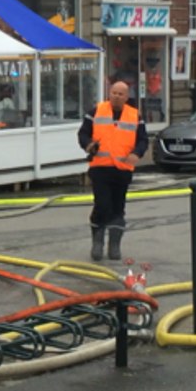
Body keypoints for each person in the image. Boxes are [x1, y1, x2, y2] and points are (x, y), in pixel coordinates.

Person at [77, 80, 148, 261]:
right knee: (102, 205)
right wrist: (88, 145)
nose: (116, 96)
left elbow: (143, 140)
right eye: (114, 93)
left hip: (123, 169)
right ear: (109, 93)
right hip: (100, 167)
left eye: (120, 94)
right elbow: (83, 134)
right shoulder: (96, 111)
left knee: (118, 207)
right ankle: (98, 242)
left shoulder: (134, 115)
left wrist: (136, 153)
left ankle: (114, 245)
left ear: (126, 97)